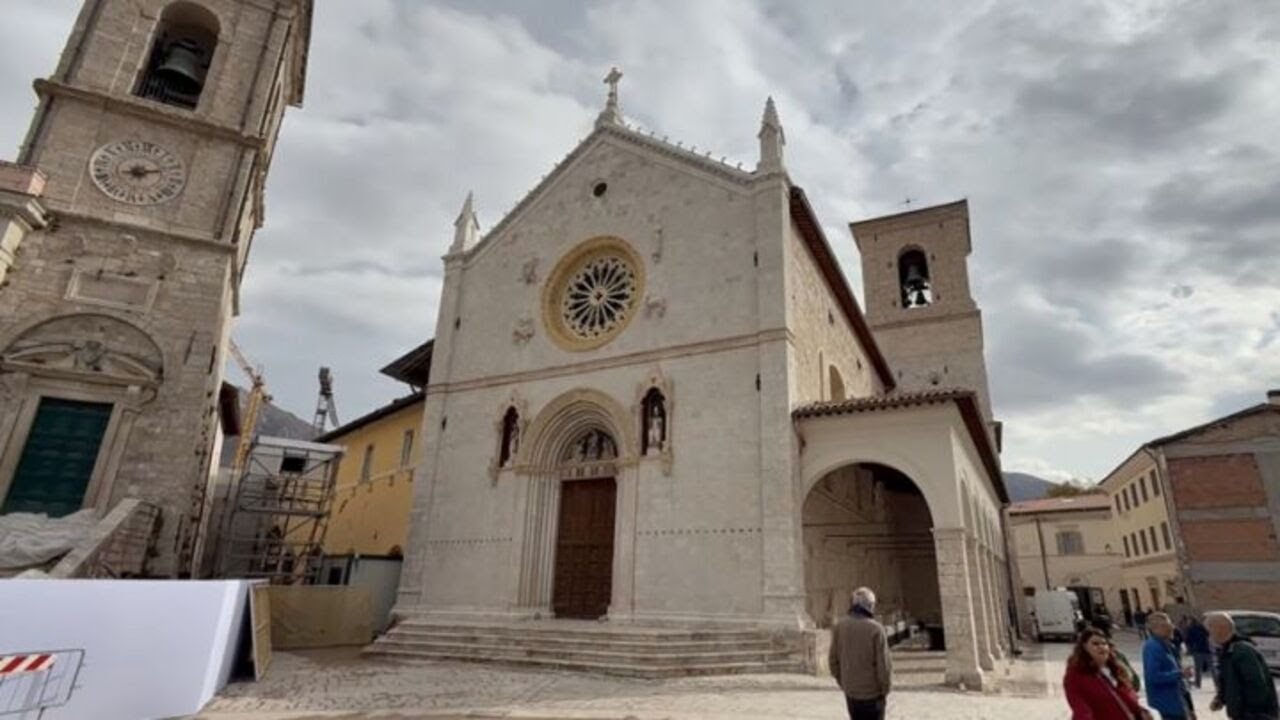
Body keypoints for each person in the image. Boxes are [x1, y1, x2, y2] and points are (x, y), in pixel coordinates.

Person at [1064, 626, 1154, 720]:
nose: (1101, 647)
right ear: (1084, 646)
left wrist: (1141, 711)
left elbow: (1128, 697)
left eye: (1104, 643)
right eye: (1095, 644)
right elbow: (1082, 710)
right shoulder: (1075, 675)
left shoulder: (1116, 669)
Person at [829, 587, 891, 720]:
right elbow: (884, 666)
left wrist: (844, 682)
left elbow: (833, 660)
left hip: (851, 692)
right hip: (872, 694)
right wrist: (885, 689)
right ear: (869, 606)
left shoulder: (840, 626)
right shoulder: (876, 629)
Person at [1205, 612, 1279, 720]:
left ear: (1220, 629)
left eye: (1210, 631)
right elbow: (1229, 680)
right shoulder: (1228, 651)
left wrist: (1250, 713)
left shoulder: (1242, 651)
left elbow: (1257, 684)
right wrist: (1221, 699)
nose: (1209, 636)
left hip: (1255, 715)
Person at [1143, 612, 1195, 720]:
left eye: (1171, 624)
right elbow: (1153, 676)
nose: (1171, 628)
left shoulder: (1168, 645)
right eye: (1166, 626)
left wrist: (1190, 708)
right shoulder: (1152, 647)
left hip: (1178, 704)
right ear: (1154, 629)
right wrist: (1180, 674)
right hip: (1167, 707)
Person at [1185, 616, 1215, 691]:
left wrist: (1190, 648)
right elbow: (1210, 636)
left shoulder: (1191, 629)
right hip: (1207, 650)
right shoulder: (1204, 628)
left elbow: (1188, 640)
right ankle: (1217, 683)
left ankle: (1198, 684)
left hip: (1197, 651)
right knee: (1213, 668)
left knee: (1198, 669)